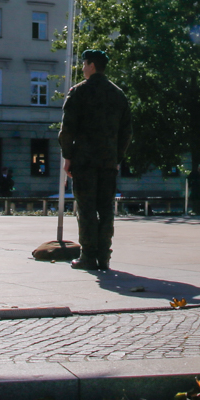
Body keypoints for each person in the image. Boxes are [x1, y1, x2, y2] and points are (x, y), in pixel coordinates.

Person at [58, 49, 132, 270]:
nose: (82, 68)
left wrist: (67, 156)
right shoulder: (118, 94)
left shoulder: (78, 92)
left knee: (87, 207)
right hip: (108, 162)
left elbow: (67, 129)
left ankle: (88, 256)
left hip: (84, 161)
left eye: (83, 64)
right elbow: (127, 132)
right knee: (106, 208)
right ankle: (104, 256)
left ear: (91, 65)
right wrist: (116, 157)